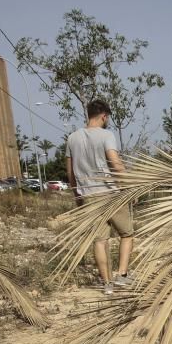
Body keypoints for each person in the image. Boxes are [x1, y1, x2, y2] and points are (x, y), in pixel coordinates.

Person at [66, 99, 135, 295]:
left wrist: (76, 194)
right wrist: (129, 187)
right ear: (104, 116)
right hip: (110, 193)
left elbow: (70, 171)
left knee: (99, 241)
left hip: (88, 195)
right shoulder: (106, 135)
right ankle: (121, 275)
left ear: (89, 114)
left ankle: (107, 284)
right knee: (127, 234)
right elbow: (115, 162)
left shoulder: (72, 138)